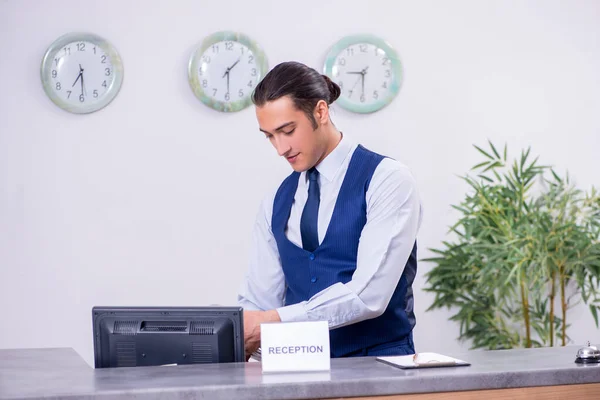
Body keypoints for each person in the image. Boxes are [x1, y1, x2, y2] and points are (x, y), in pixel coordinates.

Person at [237, 61, 422, 359]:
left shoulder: (387, 179)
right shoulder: (276, 200)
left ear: (320, 112)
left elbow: (369, 294)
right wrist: (245, 341)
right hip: (296, 370)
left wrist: (274, 321)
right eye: (270, 136)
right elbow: (259, 300)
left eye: (287, 130)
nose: (280, 149)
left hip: (379, 369)